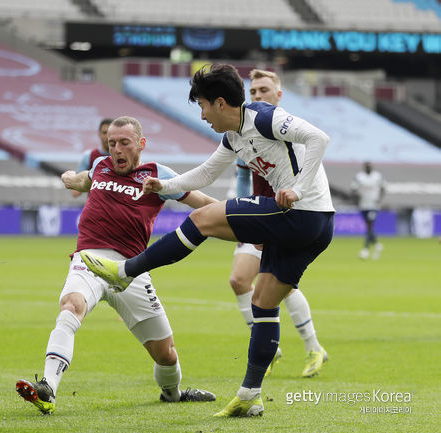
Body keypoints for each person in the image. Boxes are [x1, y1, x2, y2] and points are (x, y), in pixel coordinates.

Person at [81, 64, 335, 417]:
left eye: (201, 106)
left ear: (219, 102)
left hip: (301, 212)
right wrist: (164, 186)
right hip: (317, 226)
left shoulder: (264, 118)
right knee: (263, 303)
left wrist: (297, 188)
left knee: (202, 219)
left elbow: (318, 138)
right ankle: (250, 395)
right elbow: (205, 173)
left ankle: (126, 271)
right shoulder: (233, 137)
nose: (201, 115)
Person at [16, 116, 217, 415]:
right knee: (71, 306)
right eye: (112, 143)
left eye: (124, 143)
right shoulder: (100, 167)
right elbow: (79, 180)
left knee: (166, 355)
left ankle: (172, 394)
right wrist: (68, 177)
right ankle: (48, 388)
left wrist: (243, 220)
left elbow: (200, 200)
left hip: (132, 268)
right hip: (90, 260)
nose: (117, 149)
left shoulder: (157, 174)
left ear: (141, 144)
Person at [228, 69, 327, 379]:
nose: (257, 96)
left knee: (280, 288)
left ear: (278, 95)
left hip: (286, 214)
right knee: (239, 280)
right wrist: (246, 220)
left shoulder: (285, 129)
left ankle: (314, 348)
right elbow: (243, 176)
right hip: (259, 215)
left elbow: (314, 151)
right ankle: (270, 348)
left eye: (264, 90)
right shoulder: (244, 131)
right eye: (253, 91)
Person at [350, 161, 386, 260]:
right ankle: (377, 244)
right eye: (367, 167)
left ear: (372, 167)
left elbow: (383, 188)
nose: (368, 168)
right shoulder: (359, 177)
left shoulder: (378, 176)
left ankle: (365, 250)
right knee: (368, 226)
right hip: (363, 205)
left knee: (369, 225)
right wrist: (356, 198)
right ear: (364, 167)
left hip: (373, 205)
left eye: (370, 167)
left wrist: (379, 199)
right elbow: (353, 189)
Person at [71, 118, 113, 198]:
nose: (107, 137)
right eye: (104, 133)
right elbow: (75, 192)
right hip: (96, 208)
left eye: (110, 133)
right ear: (99, 134)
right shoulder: (89, 156)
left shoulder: (124, 157)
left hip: (117, 208)